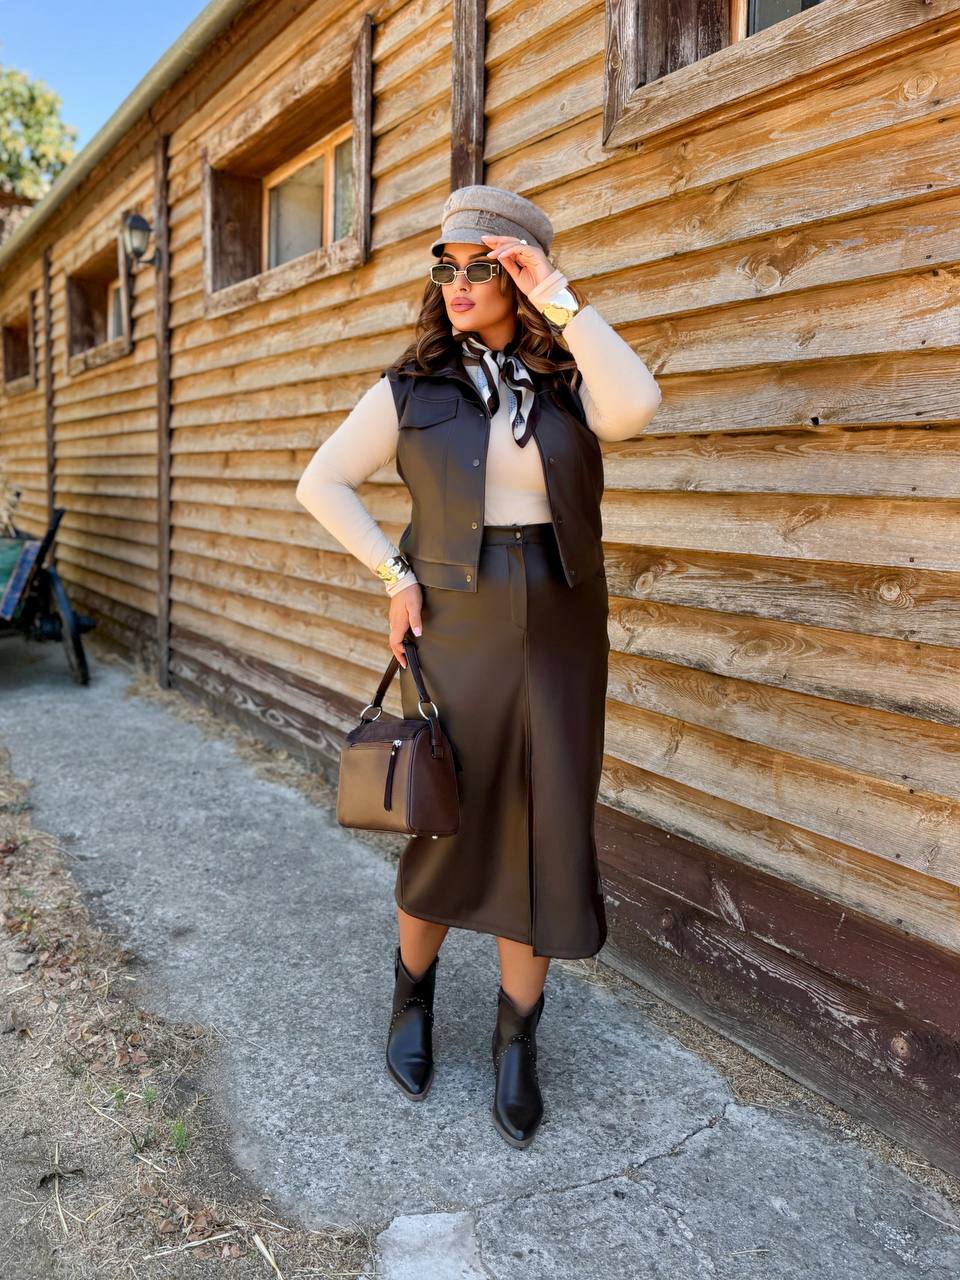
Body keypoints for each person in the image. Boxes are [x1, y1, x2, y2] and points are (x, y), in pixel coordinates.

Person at [295, 184, 662, 1148]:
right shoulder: (415, 386)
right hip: (456, 619)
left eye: (483, 267)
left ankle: (515, 1040)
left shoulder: (571, 377)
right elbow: (321, 482)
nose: (459, 284)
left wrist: (558, 296)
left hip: (565, 618)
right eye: (447, 267)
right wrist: (395, 575)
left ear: (518, 276)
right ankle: (411, 999)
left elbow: (637, 407)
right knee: (449, 814)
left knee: (547, 822)